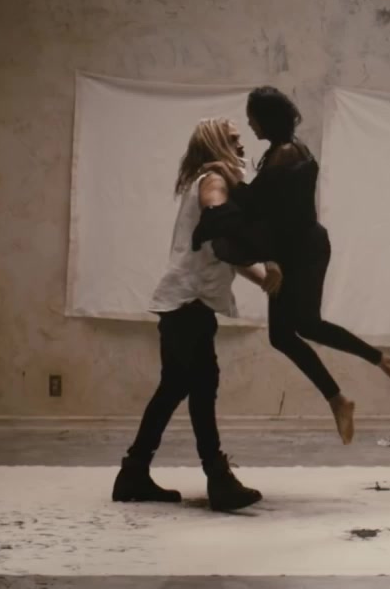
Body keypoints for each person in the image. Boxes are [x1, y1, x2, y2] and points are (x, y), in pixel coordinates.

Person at [192, 87, 390, 446]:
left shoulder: (287, 153)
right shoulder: (277, 152)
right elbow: (262, 211)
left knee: (305, 325)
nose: (250, 125)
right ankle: (339, 399)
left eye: (252, 118)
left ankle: (381, 364)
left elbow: (254, 206)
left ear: (266, 118)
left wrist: (222, 171)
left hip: (305, 250)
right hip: (289, 249)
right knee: (282, 335)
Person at [112, 118, 278, 512]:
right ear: (217, 143)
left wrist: (263, 279)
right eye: (233, 140)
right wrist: (265, 253)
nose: (241, 145)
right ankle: (217, 479)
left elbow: (222, 248)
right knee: (201, 387)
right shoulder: (213, 181)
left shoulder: (209, 179)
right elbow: (221, 221)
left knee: (176, 388)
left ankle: (135, 472)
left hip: (185, 304)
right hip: (190, 304)